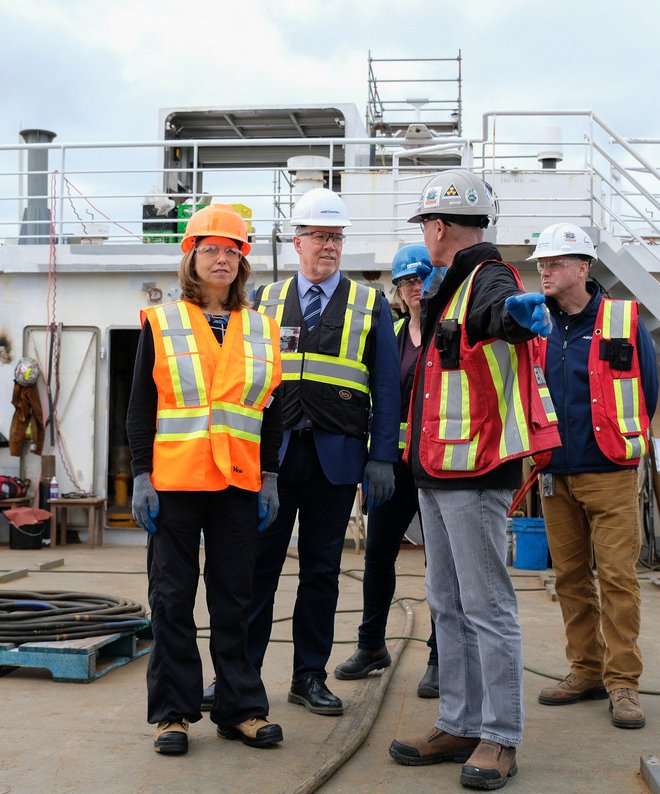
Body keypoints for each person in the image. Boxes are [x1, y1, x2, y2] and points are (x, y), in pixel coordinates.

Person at [388, 169, 560, 791]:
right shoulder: (448, 285)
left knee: (486, 605)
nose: (426, 235)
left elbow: (498, 316)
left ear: (438, 226)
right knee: (447, 602)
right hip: (439, 470)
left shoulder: (488, 278)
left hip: (477, 470)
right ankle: (458, 723)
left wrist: (514, 319)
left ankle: (500, 736)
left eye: (426, 226)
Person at [125, 204, 284, 756]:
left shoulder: (262, 329)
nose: (222, 259)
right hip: (174, 482)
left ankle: (241, 709)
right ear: (191, 258)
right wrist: (141, 474)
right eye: (210, 249)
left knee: (234, 598)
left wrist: (270, 475)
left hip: (238, 483)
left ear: (243, 262)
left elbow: (271, 411)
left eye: (232, 250)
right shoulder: (162, 322)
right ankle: (172, 715)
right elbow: (141, 406)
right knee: (172, 599)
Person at [244, 187, 400, 716]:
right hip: (272, 459)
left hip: (336, 459)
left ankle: (308, 677)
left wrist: (382, 456)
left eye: (336, 237)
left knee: (321, 572)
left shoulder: (369, 303)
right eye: (319, 236)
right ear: (298, 242)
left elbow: (386, 385)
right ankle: (241, 678)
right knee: (257, 569)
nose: (329, 246)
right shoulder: (263, 301)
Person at [530, 223, 658, 730]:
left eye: (554, 263)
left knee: (618, 579)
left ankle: (622, 681)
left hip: (609, 471)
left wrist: (621, 446)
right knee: (569, 579)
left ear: (583, 268)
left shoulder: (623, 321)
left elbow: (647, 392)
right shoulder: (535, 323)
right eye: (541, 263)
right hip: (554, 473)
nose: (545, 271)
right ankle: (585, 669)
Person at [333, 244, 439, 698]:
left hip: (437, 465)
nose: (415, 287)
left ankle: (440, 656)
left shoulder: (448, 331)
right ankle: (371, 646)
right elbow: (374, 398)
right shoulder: (391, 334)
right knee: (378, 555)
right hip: (392, 466)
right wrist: (371, 462)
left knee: (440, 565)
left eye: (422, 278)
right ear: (397, 289)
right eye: (406, 281)